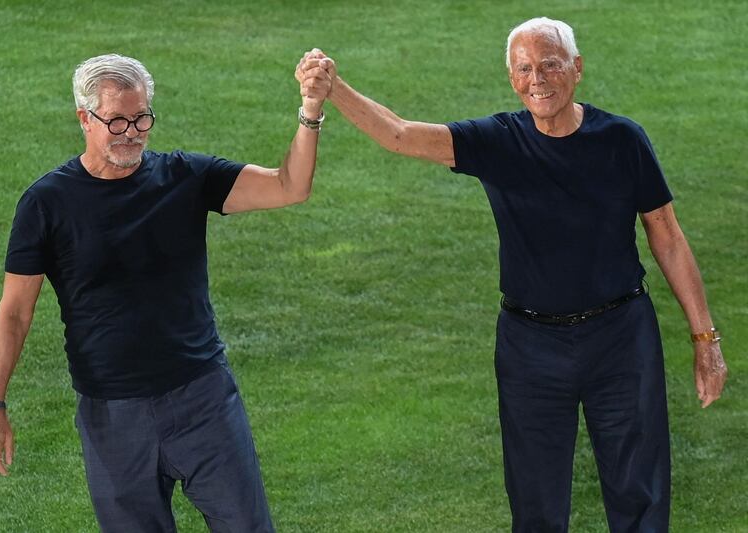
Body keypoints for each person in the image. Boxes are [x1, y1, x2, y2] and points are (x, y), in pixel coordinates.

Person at [297, 17, 728, 533]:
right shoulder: (497, 141)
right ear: (511, 77)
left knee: (640, 493)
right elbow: (399, 134)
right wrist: (332, 87)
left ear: (577, 69)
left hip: (621, 339)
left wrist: (705, 339)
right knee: (535, 502)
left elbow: (667, 235)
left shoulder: (622, 140)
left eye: (550, 64)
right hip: (530, 349)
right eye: (524, 68)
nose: (538, 79)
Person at [0, 51, 333, 532]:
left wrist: (310, 111)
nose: (133, 132)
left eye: (142, 118)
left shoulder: (185, 177)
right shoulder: (47, 203)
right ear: (85, 118)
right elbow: (15, 312)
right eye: (117, 122)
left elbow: (290, 186)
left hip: (204, 401)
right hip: (112, 419)